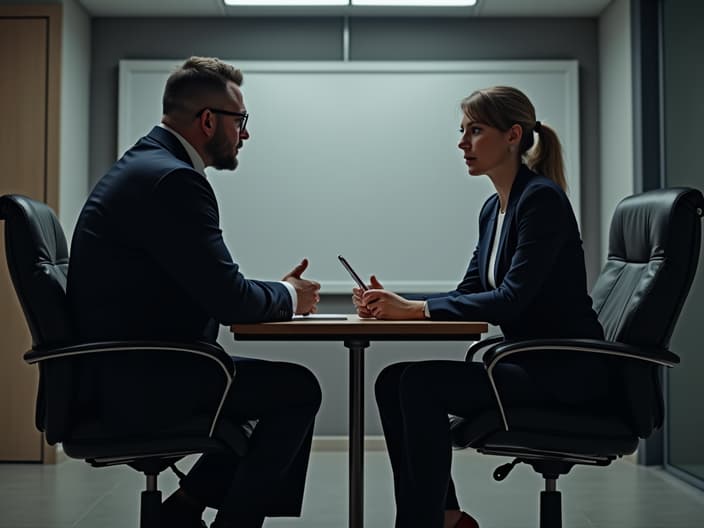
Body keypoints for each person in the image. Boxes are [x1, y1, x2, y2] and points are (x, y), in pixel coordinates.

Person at [67, 57, 322, 528]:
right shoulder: (173, 181)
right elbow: (229, 299)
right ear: (208, 121)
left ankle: (182, 511)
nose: (244, 135)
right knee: (297, 389)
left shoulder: (148, 166)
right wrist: (288, 295)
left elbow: (216, 286)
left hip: (124, 368)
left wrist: (279, 292)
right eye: (240, 121)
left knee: (276, 387)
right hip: (143, 379)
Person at [353, 86, 607, 528]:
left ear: (512, 135)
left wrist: (414, 311)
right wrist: (398, 304)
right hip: (527, 362)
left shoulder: (540, 200)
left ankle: (425, 522)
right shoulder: (494, 209)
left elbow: (511, 300)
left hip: (562, 371)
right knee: (393, 380)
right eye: (462, 131)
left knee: (418, 384)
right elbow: (471, 290)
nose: (462, 142)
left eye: (475, 130)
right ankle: (447, 516)